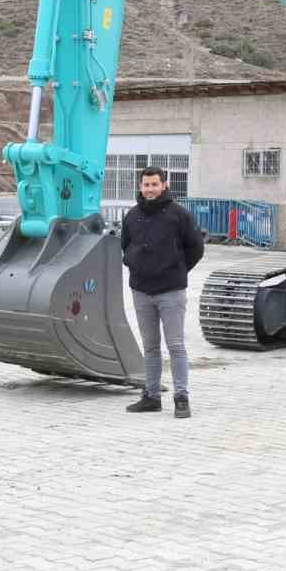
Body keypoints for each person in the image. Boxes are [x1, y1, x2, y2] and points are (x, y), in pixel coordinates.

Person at [120, 166, 204, 418]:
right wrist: (133, 263)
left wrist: (177, 270)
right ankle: (152, 396)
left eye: (154, 184)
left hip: (171, 291)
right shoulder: (132, 215)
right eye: (146, 185)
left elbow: (196, 248)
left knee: (176, 346)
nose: (150, 189)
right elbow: (126, 245)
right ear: (140, 186)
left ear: (164, 185)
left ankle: (181, 398)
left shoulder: (179, 215)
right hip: (141, 291)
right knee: (150, 347)